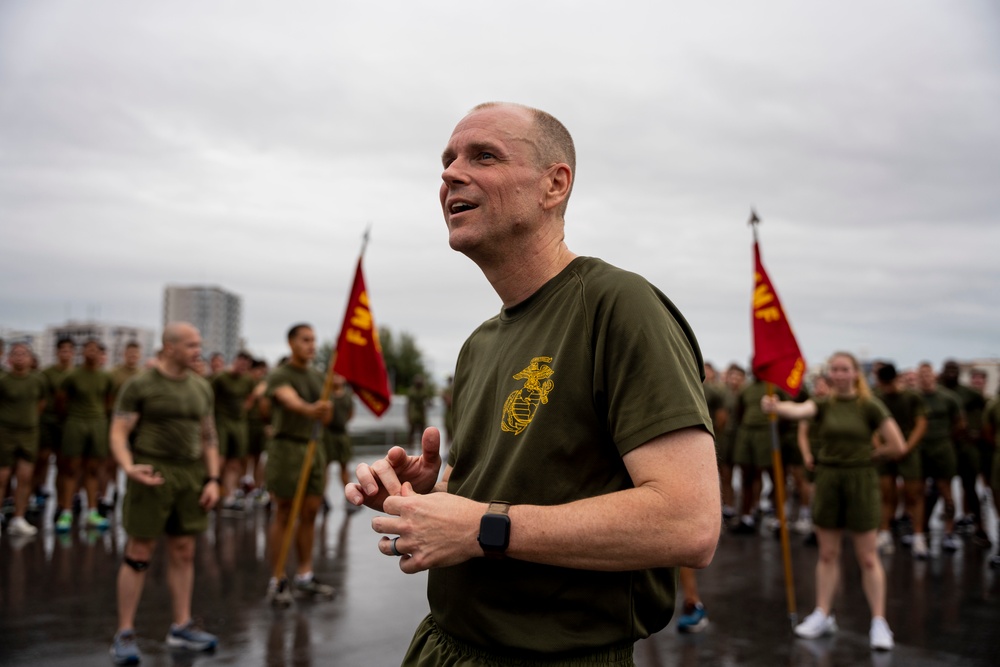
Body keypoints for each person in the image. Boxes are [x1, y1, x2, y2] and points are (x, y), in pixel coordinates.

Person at [346, 102, 719, 665]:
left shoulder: (617, 305)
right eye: (447, 161)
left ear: (555, 184)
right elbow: (499, 502)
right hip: (446, 644)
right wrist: (432, 500)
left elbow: (687, 523)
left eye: (484, 156)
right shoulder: (479, 344)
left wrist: (481, 528)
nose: (449, 174)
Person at [762, 351, 906, 651]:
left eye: (845, 369)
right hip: (828, 479)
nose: (839, 374)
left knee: (868, 556)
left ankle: (879, 621)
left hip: (860, 480)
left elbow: (897, 444)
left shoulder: (869, 405)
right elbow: (800, 411)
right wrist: (776, 406)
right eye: (835, 370)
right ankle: (823, 614)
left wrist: (870, 457)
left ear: (855, 373)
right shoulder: (825, 404)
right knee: (827, 554)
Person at [108, 322, 221, 665]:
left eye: (199, 344)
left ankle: (181, 625)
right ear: (169, 347)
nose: (197, 351)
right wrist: (128, 467)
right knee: (139, 551)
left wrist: (213, 479)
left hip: (191, 475)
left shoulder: (201, 387)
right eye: (190, 345)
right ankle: (125, 632)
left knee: (184, 550)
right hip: (151, 471)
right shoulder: (141, 384)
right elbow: (118, 431)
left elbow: (209, 437)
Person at [265, 324, 335, 605]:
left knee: (310, 512)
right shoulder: (280, 374)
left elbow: (326, 421)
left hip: (314, 448)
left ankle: (305, 574)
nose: (311, 345)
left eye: (314, 340)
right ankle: (278, 577)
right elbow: (288, 399)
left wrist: (326, 410)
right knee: (283, 512)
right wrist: (311, 408)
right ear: (291, 342)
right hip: (287, 448)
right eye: (305, 340)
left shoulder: (320, 377)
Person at [56, 338, 114, 531]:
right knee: (71, 469)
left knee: (93, 469)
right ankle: (66, 512)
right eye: (88, 349)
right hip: (75, 422)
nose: (92, 353)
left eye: (95, 350)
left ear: (100, 354)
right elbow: (61, 401)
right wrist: (73, 417)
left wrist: (98, 418)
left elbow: (108, 402)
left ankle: (92, 512)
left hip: (97, 423)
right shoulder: (73, 376)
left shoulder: (106, 378)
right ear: (82, 352)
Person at [873, 363, 928, 557]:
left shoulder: (912, 397)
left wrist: (905, 449)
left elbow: (921, 424)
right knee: (886, 494)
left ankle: (919, 536)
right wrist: (881, 449)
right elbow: (872, 426)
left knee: (914, 495)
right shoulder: (877, 398)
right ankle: (885, 532)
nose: (886, 387)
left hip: (908, 451)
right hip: (885, 452)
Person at [0, 343, 47, 537]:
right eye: (16, 354)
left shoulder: (38, 380)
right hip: (5, 433)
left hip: (29, 433)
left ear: (30, 358)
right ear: (10, 359)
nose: (20, 357)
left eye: (24, 353)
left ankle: (18, 518)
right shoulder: (3, 380)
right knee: (2, 477)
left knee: (25, 477)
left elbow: (41, 403)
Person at [917, 362, 964, 552]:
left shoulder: (948, 398)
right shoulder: (914, 398)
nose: (925, 378)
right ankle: (920, 531)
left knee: (946, 490)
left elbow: (960, 424)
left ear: (934, 376)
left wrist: (946, 439)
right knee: (918, 491)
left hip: (943, 448)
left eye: (928, 374)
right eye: (922, 375)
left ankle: (949, 532)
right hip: (920, 449)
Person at [33, 338, 74, 513]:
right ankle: (37, 493)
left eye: (69, 350)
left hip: (66, 424)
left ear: (73, 353)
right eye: (62, 350)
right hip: (48, 422)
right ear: (57, 352)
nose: (65, 354)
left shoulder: (75, 374)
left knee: (63, 465)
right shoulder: (47, 374)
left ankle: (61, 503)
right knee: (41, 460)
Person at [211, 351, 256, 510]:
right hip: (222, 421)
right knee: (220, 458)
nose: (242, 367)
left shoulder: (247, 380)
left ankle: (229, 495)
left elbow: (251, 396)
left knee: (235, 462)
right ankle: (214, 489)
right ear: (235, 361)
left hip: (239, 423)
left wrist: (246, 407)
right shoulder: (220, 378)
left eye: (246, 365)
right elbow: (210, 397)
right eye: (240, 363)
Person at [103, 340, 144, 516]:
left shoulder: (143, 375)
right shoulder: (113, 374)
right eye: (130, 353)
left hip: (137, 426)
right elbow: (106, 397)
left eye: (136, 354)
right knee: (112, 460)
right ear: (124, 354)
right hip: (116, 421)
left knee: (134, 460)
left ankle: (130, 493)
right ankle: (111, 491)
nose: (132, 357)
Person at [322, 373, 355, 513]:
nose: (337, 378)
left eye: (340, 376)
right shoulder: (326, 394)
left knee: (344, 466)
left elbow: (350, 413)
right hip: (327, 434)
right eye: (334, 375)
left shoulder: (347, 395)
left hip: (342, 434)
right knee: (325, 466)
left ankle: (349, 497)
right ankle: (322, 497)